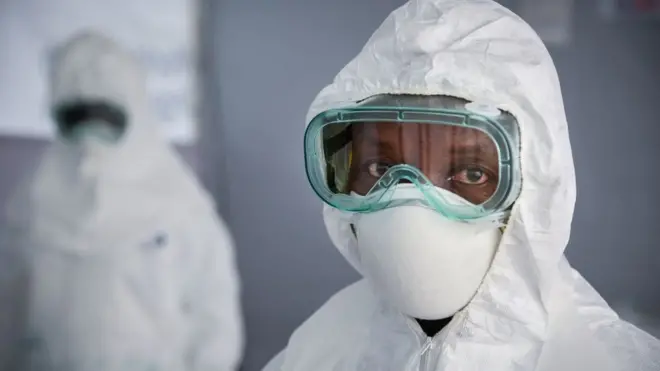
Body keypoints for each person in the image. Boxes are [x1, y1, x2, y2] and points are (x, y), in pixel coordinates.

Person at [263, 0, 660, 370]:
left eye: (471, 174)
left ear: (535, 188)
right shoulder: (320, 351)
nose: (408, 205)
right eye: (380, 167)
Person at [0, 31, 244, 371]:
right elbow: (8, 315)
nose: (91, 136)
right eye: (77, 116)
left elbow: (215, 320)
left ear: (135, 109)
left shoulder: (181, 207)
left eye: (104, 116)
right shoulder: (29, 206)